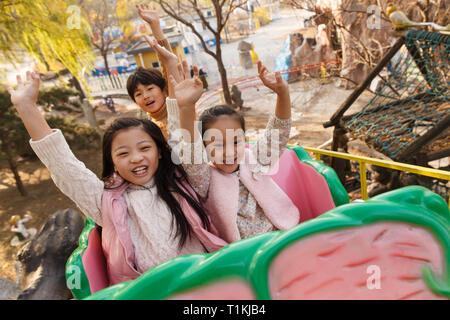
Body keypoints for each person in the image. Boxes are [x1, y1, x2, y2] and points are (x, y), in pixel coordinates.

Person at [6, 70, 226, 286]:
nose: (136, 158)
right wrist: (26, 107)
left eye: (144, 148)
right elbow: (65, 167)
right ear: (112, 162)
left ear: (159, 151)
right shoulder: (107, 201)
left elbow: (188, 145)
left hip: (205, 282)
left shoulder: (182, 180)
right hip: (149, 293)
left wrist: (184, 105)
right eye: (123, 153)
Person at [166, 61, 300, 243]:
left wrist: (282, 93)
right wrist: (186, 108)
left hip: (281, 237)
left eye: (236, 141)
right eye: (218, 144)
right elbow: (190, 150)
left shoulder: (254, 159)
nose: (229, 152)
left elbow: (278, 133)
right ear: (204, 148)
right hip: (241, 255)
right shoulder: (204, 178)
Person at [126, 4, 179, 139]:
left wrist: (155, 27)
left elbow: (167, 63)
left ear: (164, 89)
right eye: (138, 94)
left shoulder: (178, 106)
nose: (145, 96)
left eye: (150, 88)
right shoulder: (147, 129)